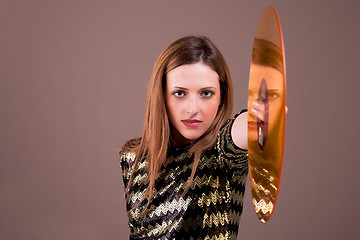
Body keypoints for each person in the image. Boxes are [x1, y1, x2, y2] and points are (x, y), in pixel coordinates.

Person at [119, 36, 266, 239]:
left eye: (206, 93)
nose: (193, 109)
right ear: (162, 94)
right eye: (180, 93)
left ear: (221, 96)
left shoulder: (220, 154)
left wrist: (257, 119)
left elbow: (238, 133)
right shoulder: (133, 156)